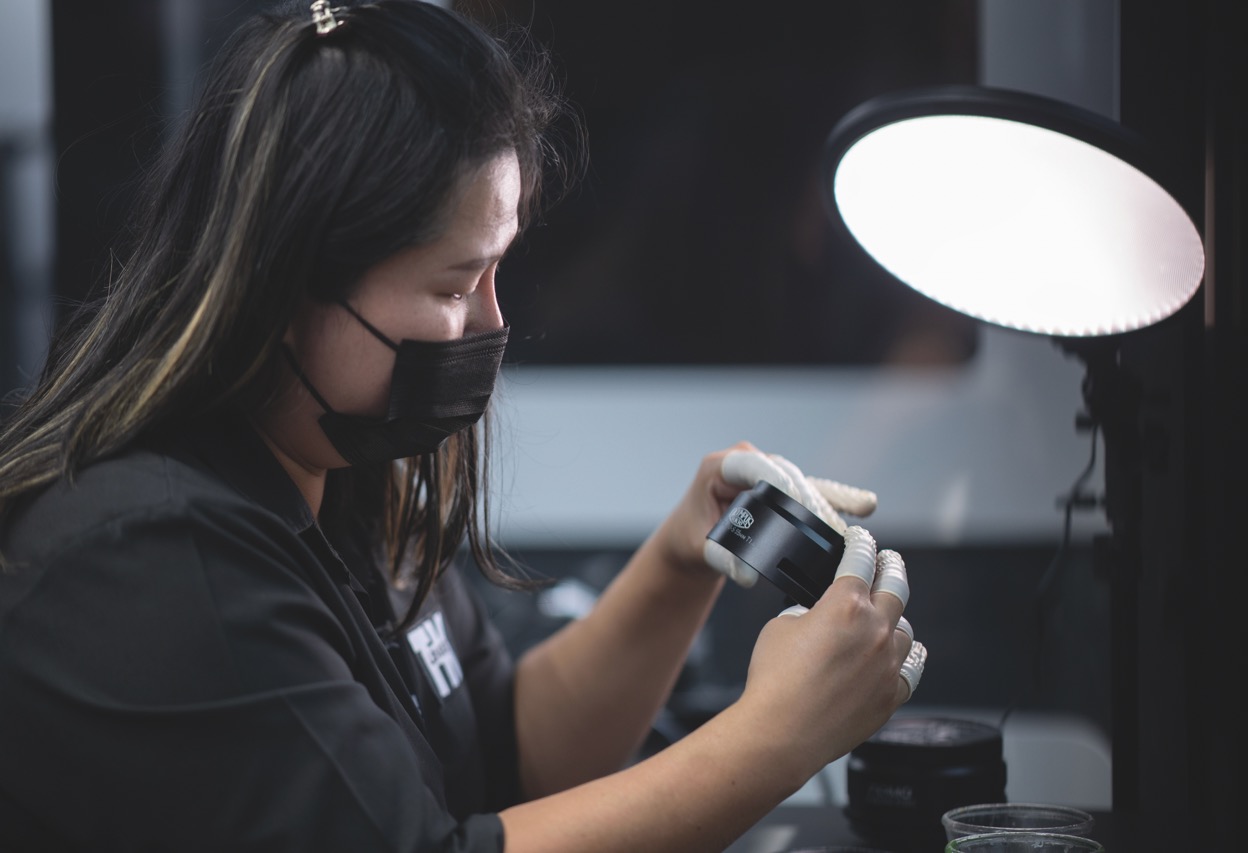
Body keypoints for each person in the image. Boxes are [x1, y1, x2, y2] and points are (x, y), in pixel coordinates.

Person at [0, 1, 925, 850]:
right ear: (284, 282)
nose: (491, 325)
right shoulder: (155, 564)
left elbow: (499, 753)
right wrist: (774, 738)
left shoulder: (348, 472)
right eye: (451, 285)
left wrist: (681, 562)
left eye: (497, 272)